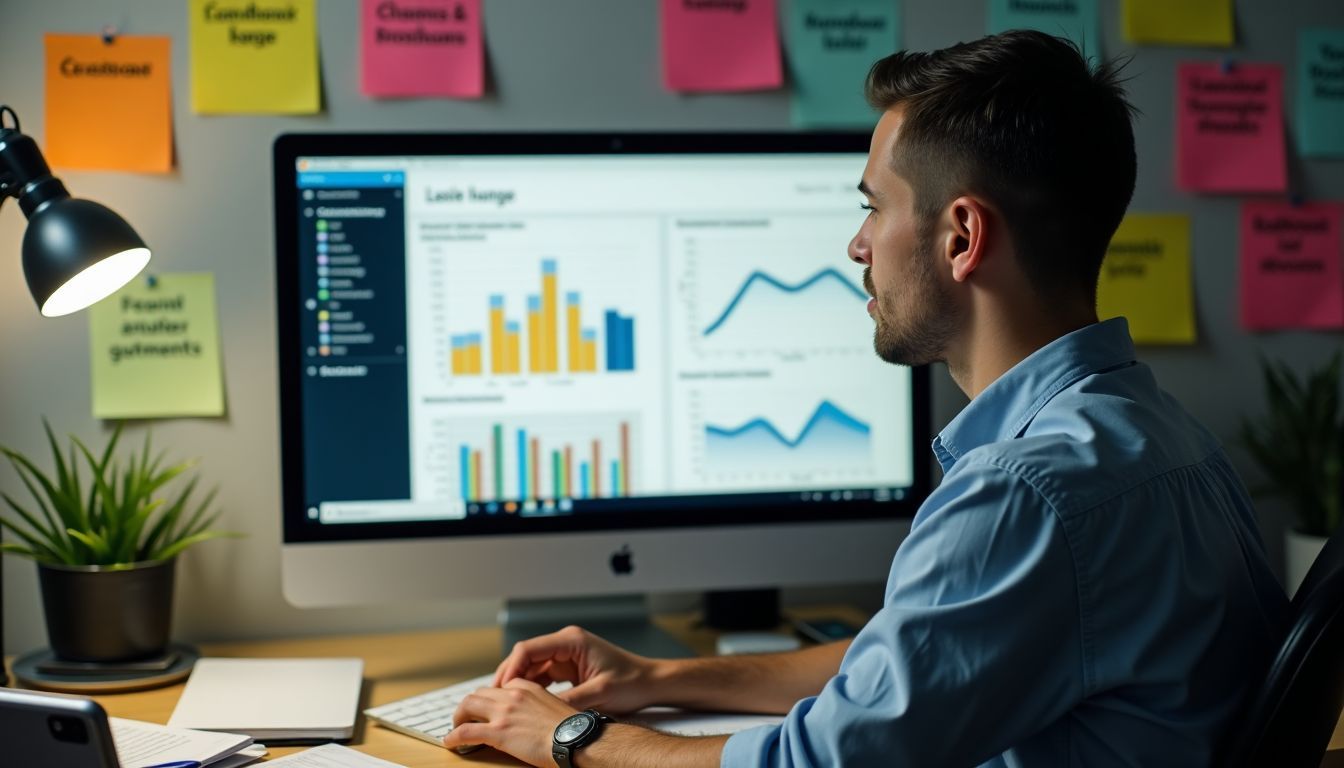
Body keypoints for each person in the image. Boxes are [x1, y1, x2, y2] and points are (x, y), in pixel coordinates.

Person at [445, 30, 1290, 767]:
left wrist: (570, 739)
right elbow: (911, 669)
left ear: (961, 237)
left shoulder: (1024, 494)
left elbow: (825, 760)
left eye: (873, 207)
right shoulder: (1158, 435)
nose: (856, 245)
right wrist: (660, 679)